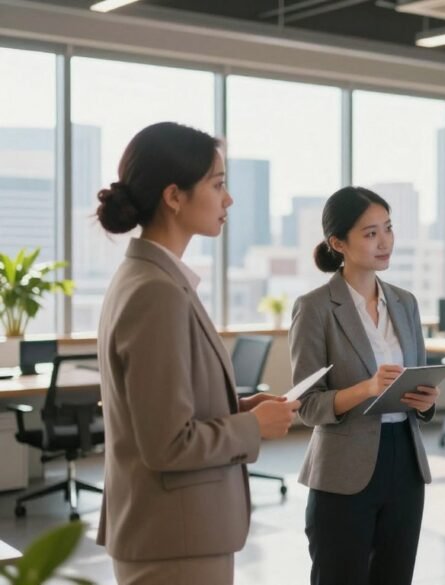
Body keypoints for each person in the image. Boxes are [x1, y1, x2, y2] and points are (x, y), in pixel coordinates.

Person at [95, 121, 298, 584]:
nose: (229, 199)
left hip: (176, 532)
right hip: (174, 538)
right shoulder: (156, 292)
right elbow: (167, 443)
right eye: (218, 184)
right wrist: (253, 427)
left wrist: (239, 408)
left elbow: (160, 412)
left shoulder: (150, 278)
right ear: (174, 196)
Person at [289, 186, 440, 585]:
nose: (385, 241)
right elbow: (306, 405)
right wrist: (366, 389)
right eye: (371, 233)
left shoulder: (405, 302)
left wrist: (426, 400)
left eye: (388, 228)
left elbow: (417, 380)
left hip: (405, 463)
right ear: (338, 243)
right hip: (343, 468)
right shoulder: (315, 307)